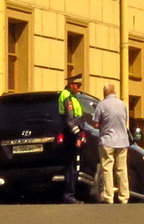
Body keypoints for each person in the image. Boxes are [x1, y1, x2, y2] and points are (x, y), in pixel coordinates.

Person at [95, 82, 132, 204]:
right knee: (122, 169)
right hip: (122, 141)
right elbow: (125, 120)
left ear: (104, 93)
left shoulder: (101, 105)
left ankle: (109, 197)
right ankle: (124, 197)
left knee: (107, 169)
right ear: (114, 92)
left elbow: (96, 124)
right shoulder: (122, 104)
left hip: (107, 141)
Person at [57, 73, 88, 203]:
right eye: (77, 85)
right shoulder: (67, 97)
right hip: (70, 136)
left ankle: (71, 194)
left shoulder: (74, 97)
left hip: (73, 135)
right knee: (71, 167)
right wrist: (77, 136)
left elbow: (79, 119)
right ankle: (69, 195)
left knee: (74, 166)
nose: (79, 88)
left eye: (80, 85)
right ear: (71, 85)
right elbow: (70, 120)